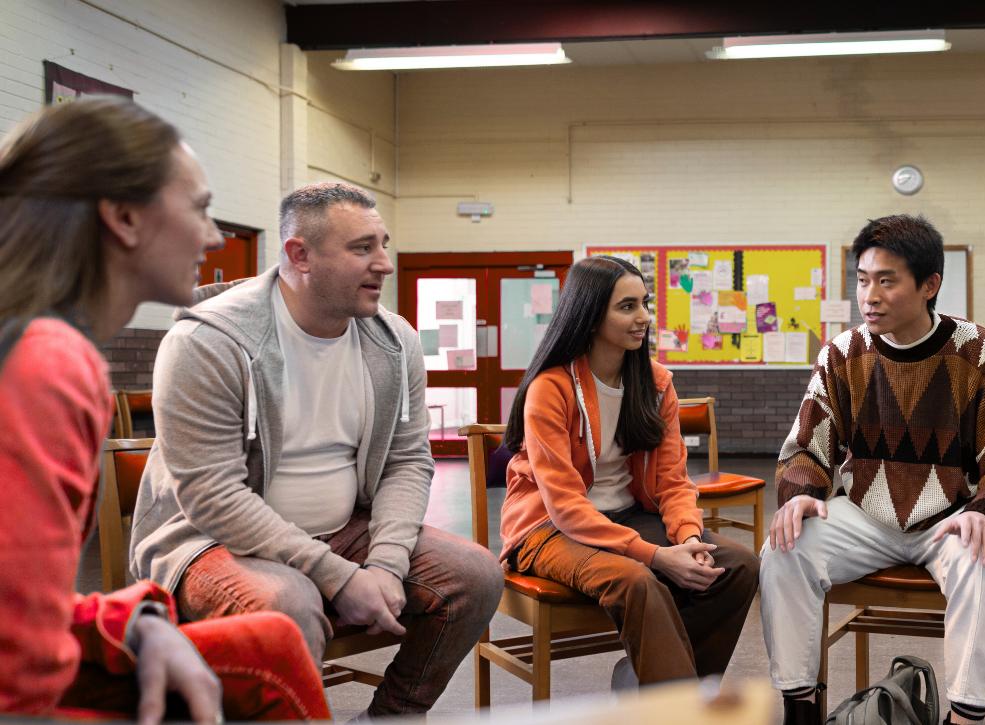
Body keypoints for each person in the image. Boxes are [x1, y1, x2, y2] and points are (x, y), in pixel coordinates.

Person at [0, 98, 328, 721]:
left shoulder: (37, 346)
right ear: (124, 218)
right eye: (200, 209)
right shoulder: (47, 363)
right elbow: (18, 675)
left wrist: (131, 623)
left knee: (270, 645)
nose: (214, 236)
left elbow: (15, 603)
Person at [129, 181, 503, 716]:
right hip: (210, 539)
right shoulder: (208, 342)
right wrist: (338, 577)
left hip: (345, 528)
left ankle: (393, 716)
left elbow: (406, 461)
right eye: (362, 248)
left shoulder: (395, 342)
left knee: (475, 576)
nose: (384, 264)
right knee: (288, 605)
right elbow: (212, 495)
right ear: (299, 255)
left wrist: (386, 564)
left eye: (383, 244)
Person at [760, 215, 985, 725]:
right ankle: (799, 706)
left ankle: (965, 717)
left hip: (953, 517)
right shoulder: (842, 353)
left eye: (886, 281)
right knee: (784, 547)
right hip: (863, 516)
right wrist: (801, 491)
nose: (869, 296)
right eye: (862, 280)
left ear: (929, 285)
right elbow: (807, 444)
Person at [499, 254, 759, 686]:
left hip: (626, 517)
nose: (644, 317)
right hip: (548, 530)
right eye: (627, 306)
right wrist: (657, 556)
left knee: (739, 566)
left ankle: (648, 682)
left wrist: (689, 540)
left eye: (645, 303)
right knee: (637, 580)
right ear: (589, 315)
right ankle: (677, 708)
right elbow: (564, 505)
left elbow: (673, 481)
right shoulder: (551, 388)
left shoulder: (655, 384)